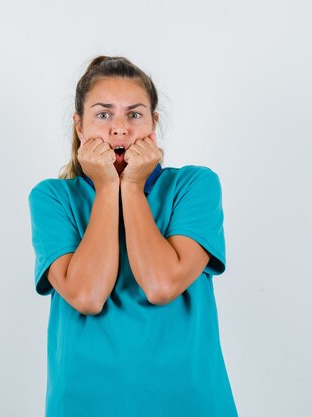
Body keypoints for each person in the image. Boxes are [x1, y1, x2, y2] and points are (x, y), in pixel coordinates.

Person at [27, 56, 238, 417]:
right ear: (79, 126)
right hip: (85, 404)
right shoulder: (52, 198)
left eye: (135, 114)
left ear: (154, 124)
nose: (119, 129)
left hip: (189, 403)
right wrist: (109, 186)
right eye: (103, 115)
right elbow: (88, 296)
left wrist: (134, 185)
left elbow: (160, 285)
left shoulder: (194, 185)